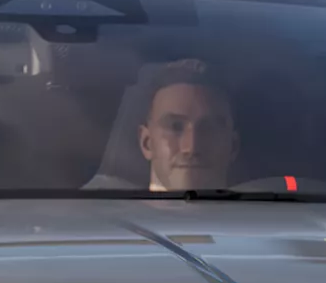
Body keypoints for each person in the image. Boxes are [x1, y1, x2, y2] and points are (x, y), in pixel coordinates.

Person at [98, 59, 241, 192]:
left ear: (233, 146)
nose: (191, 147)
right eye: (175, 127)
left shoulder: (261, 214)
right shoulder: (91, 214)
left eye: (209, 129)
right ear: (147, 143)